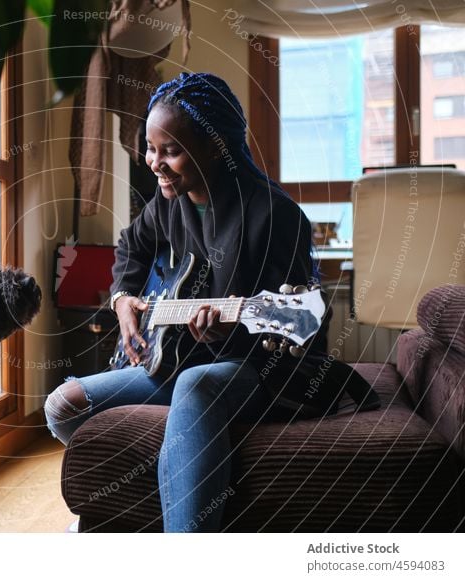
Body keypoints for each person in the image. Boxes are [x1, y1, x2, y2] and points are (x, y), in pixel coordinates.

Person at [45, 72, 362, 533]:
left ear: (216, 146)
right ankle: (167, 483)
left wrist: (231, 326)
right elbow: (132, 247)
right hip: (178, 354)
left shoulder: (275, 216)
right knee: (62, 405)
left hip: (260, 371)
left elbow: (301, 327)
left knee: (196, 386)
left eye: (170, 150)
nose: (155, 162)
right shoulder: (167, 199)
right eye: (151, 148)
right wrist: (122, 301)